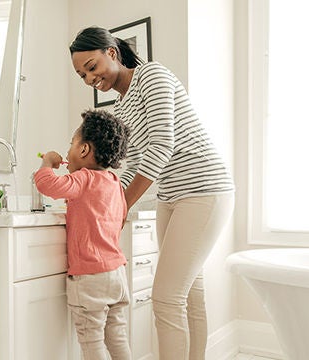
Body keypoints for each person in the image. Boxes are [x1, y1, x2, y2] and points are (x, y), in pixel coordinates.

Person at [70, 27, 235, 360]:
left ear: (111, 53)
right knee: (189, 294)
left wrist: (119, 207)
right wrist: (104, 196)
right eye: (81, 74)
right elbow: (130, 165)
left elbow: (162, 144)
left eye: (91, 66)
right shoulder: (120, 109)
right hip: (170, 196)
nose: (89, 78)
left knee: (166, 298)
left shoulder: (152, 75)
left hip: (205, 189)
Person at [34, 109, 132, 360]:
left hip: (91, 278)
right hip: (117, 273)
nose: (67, 152)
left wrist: (47, 162)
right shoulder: (113, 182)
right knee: (117, 336)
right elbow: (118, 217)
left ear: (84, 150)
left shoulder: (83, 178)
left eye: (71, 145)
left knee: (92, 340)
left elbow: (48, 185)